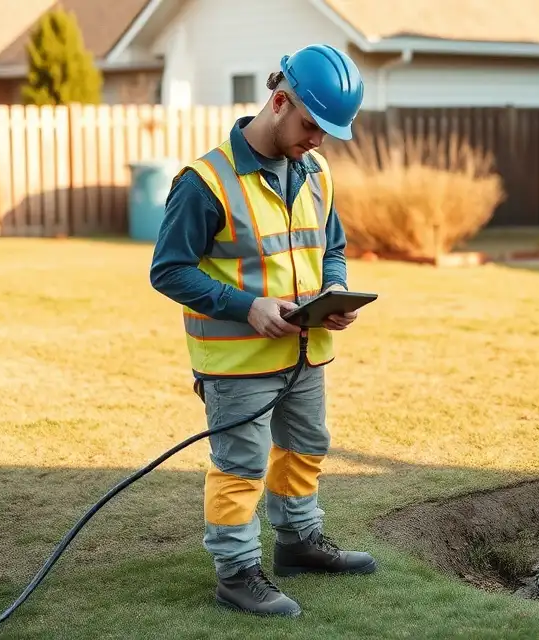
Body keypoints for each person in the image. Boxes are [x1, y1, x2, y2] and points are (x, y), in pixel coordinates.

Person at [149, 44, 375, 617]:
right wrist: (247, 306)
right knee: (240, 467)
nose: (318, 141)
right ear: (279, 101)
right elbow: (168, 270)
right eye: (310, 125)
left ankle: (299, 543)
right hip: (237, 364)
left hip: (305, 351)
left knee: (304, 447)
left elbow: (334, 247)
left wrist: (335, 293)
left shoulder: (316, 170)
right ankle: (237, 572)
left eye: (327, 132)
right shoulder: (204, 182)